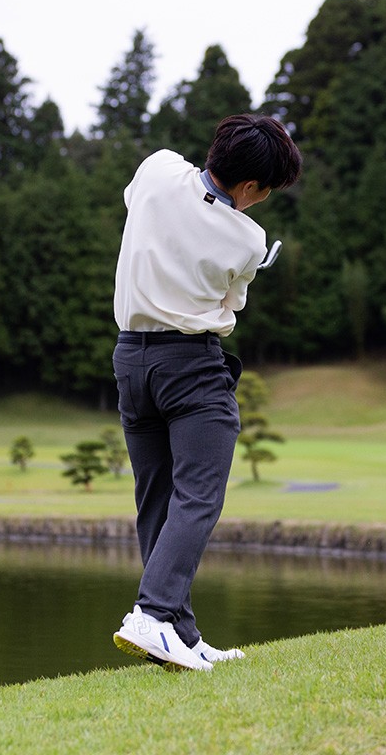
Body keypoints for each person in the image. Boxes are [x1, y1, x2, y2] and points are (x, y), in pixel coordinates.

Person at [111, 114, 302, 671]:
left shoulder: (157, 167)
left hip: (130, 359)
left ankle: (179, 631)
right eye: (264, 193)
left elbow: (137, 205)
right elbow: (229, 306)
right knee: (198, 496)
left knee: (158, 496)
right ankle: (151, 613)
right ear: (249, 188)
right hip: (191, 365)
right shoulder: (247, 237)